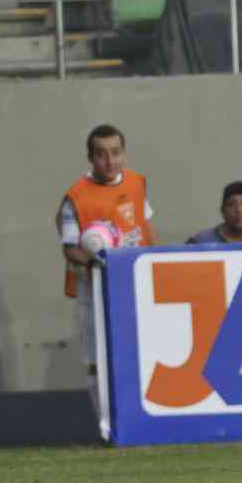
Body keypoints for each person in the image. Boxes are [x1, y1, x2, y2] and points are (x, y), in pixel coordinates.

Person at [55, 124, 156, 410]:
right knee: (96, 357)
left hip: (135, 282)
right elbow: (70, 248)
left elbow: (145, 226)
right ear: (90, 157)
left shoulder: (137, 183)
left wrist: (154, 261)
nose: (109, 161)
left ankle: (140, 413)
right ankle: (105, 423)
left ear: (124, 154)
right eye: (101, 154)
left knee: (141, 349)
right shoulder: (75, 197)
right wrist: (100, 263)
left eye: (115, 153)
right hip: (95, 286)